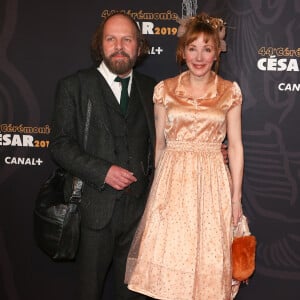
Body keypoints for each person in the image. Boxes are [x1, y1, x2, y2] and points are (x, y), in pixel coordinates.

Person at [125, 12, 244, 300]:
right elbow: (160, 146)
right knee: (171, 258)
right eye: (193, 48)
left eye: (207, 48)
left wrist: (236, 197)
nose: (199, 56)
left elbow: (237, 146)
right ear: (182, 51)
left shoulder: (230, 92)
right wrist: (157, 190)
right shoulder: (164, 90)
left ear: (217, 53)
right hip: (172, 183)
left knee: (207, 259)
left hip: (212, 185)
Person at [49, 12, 156, 300]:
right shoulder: (74, 86)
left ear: (138, 46)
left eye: (127, 39)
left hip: (139, 215)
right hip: (93, 211)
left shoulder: (153, 89)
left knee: (133, 294)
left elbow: (167, 140)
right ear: (100, 44)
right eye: (111, 39)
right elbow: (59, 144)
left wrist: (208, 150)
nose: (119, 46)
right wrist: (103, 171)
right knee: (89, 293)